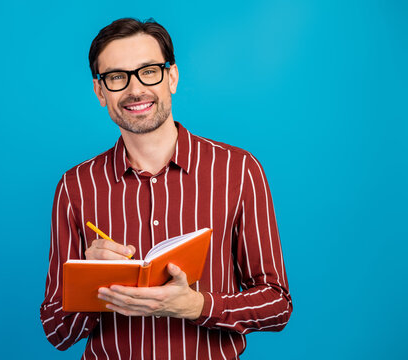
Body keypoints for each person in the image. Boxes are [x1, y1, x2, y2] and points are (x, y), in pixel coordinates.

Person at [40, 18, 292, 359]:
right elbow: (56, 331)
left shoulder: (239, 169)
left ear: (171, 77)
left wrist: (197, 305)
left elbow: (277, 305)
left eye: (148, 71)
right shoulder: (76, 187)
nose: (134, 90)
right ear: (100, 91)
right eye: (117, 77)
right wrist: (91, 284)